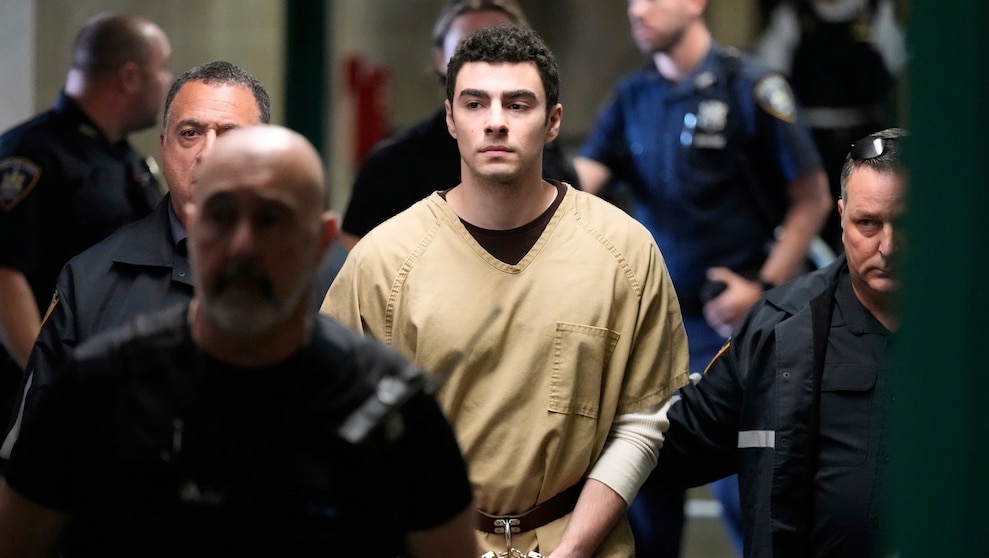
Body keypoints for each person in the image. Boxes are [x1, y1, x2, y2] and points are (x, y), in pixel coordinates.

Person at [0, 124, 479, 557]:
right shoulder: (97, 389)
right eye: (221, 216)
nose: (243, 246)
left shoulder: (392, 413)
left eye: (271, 219)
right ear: (192, 227)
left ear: (321, 240)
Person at [322, 23, 689, 557]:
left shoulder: (623, 252)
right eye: (475, 104)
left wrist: (572, 551)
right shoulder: (384, 260)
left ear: (553, 121)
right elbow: (340, 424)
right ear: (450, 119)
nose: (495, 122)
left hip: (578, 538)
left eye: (518, 105)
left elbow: (641, 420)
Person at [572, 0, 834, 554]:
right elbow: (575, 188)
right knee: (640, 500)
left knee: (748, 498)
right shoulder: (633, 96)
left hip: (730, 331)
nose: (637, 10)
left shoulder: (750, 87)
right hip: (651, 331)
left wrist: (763, 290)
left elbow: (812, 197)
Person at [656, 128, 907, 557]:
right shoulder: (779, 326)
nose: (888, 246)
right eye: (868, 223)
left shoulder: (972, 333)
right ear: (842, 217)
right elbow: (678, 442)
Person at [1, 61, 270, 459]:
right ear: (164, 146)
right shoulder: (89, 281)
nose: (208, 153)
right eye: (190, 133)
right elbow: (30, 457)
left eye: (230, 134)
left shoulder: (325, 274)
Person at [0, 11, 172, 432]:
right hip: (45, 402)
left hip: (111, 391)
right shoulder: (33, 154)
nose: (168, 81)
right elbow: (5, 278)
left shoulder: (126, 159)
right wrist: (52, 386)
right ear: (129, 77)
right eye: (163, 68)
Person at [337, 0, 578, 250]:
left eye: (505, 46)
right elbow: (357, 255)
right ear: (441, 58)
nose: (489, 59)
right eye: (468, 47)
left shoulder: (553, 164)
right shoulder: (391, 165)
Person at [754, 0, 907, 252]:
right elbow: (768, 73)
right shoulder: (794, 14)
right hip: (810, 139)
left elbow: (898, 63)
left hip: (864, 136)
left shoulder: (875, 12)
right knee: (813, 225)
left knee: (867, 220)